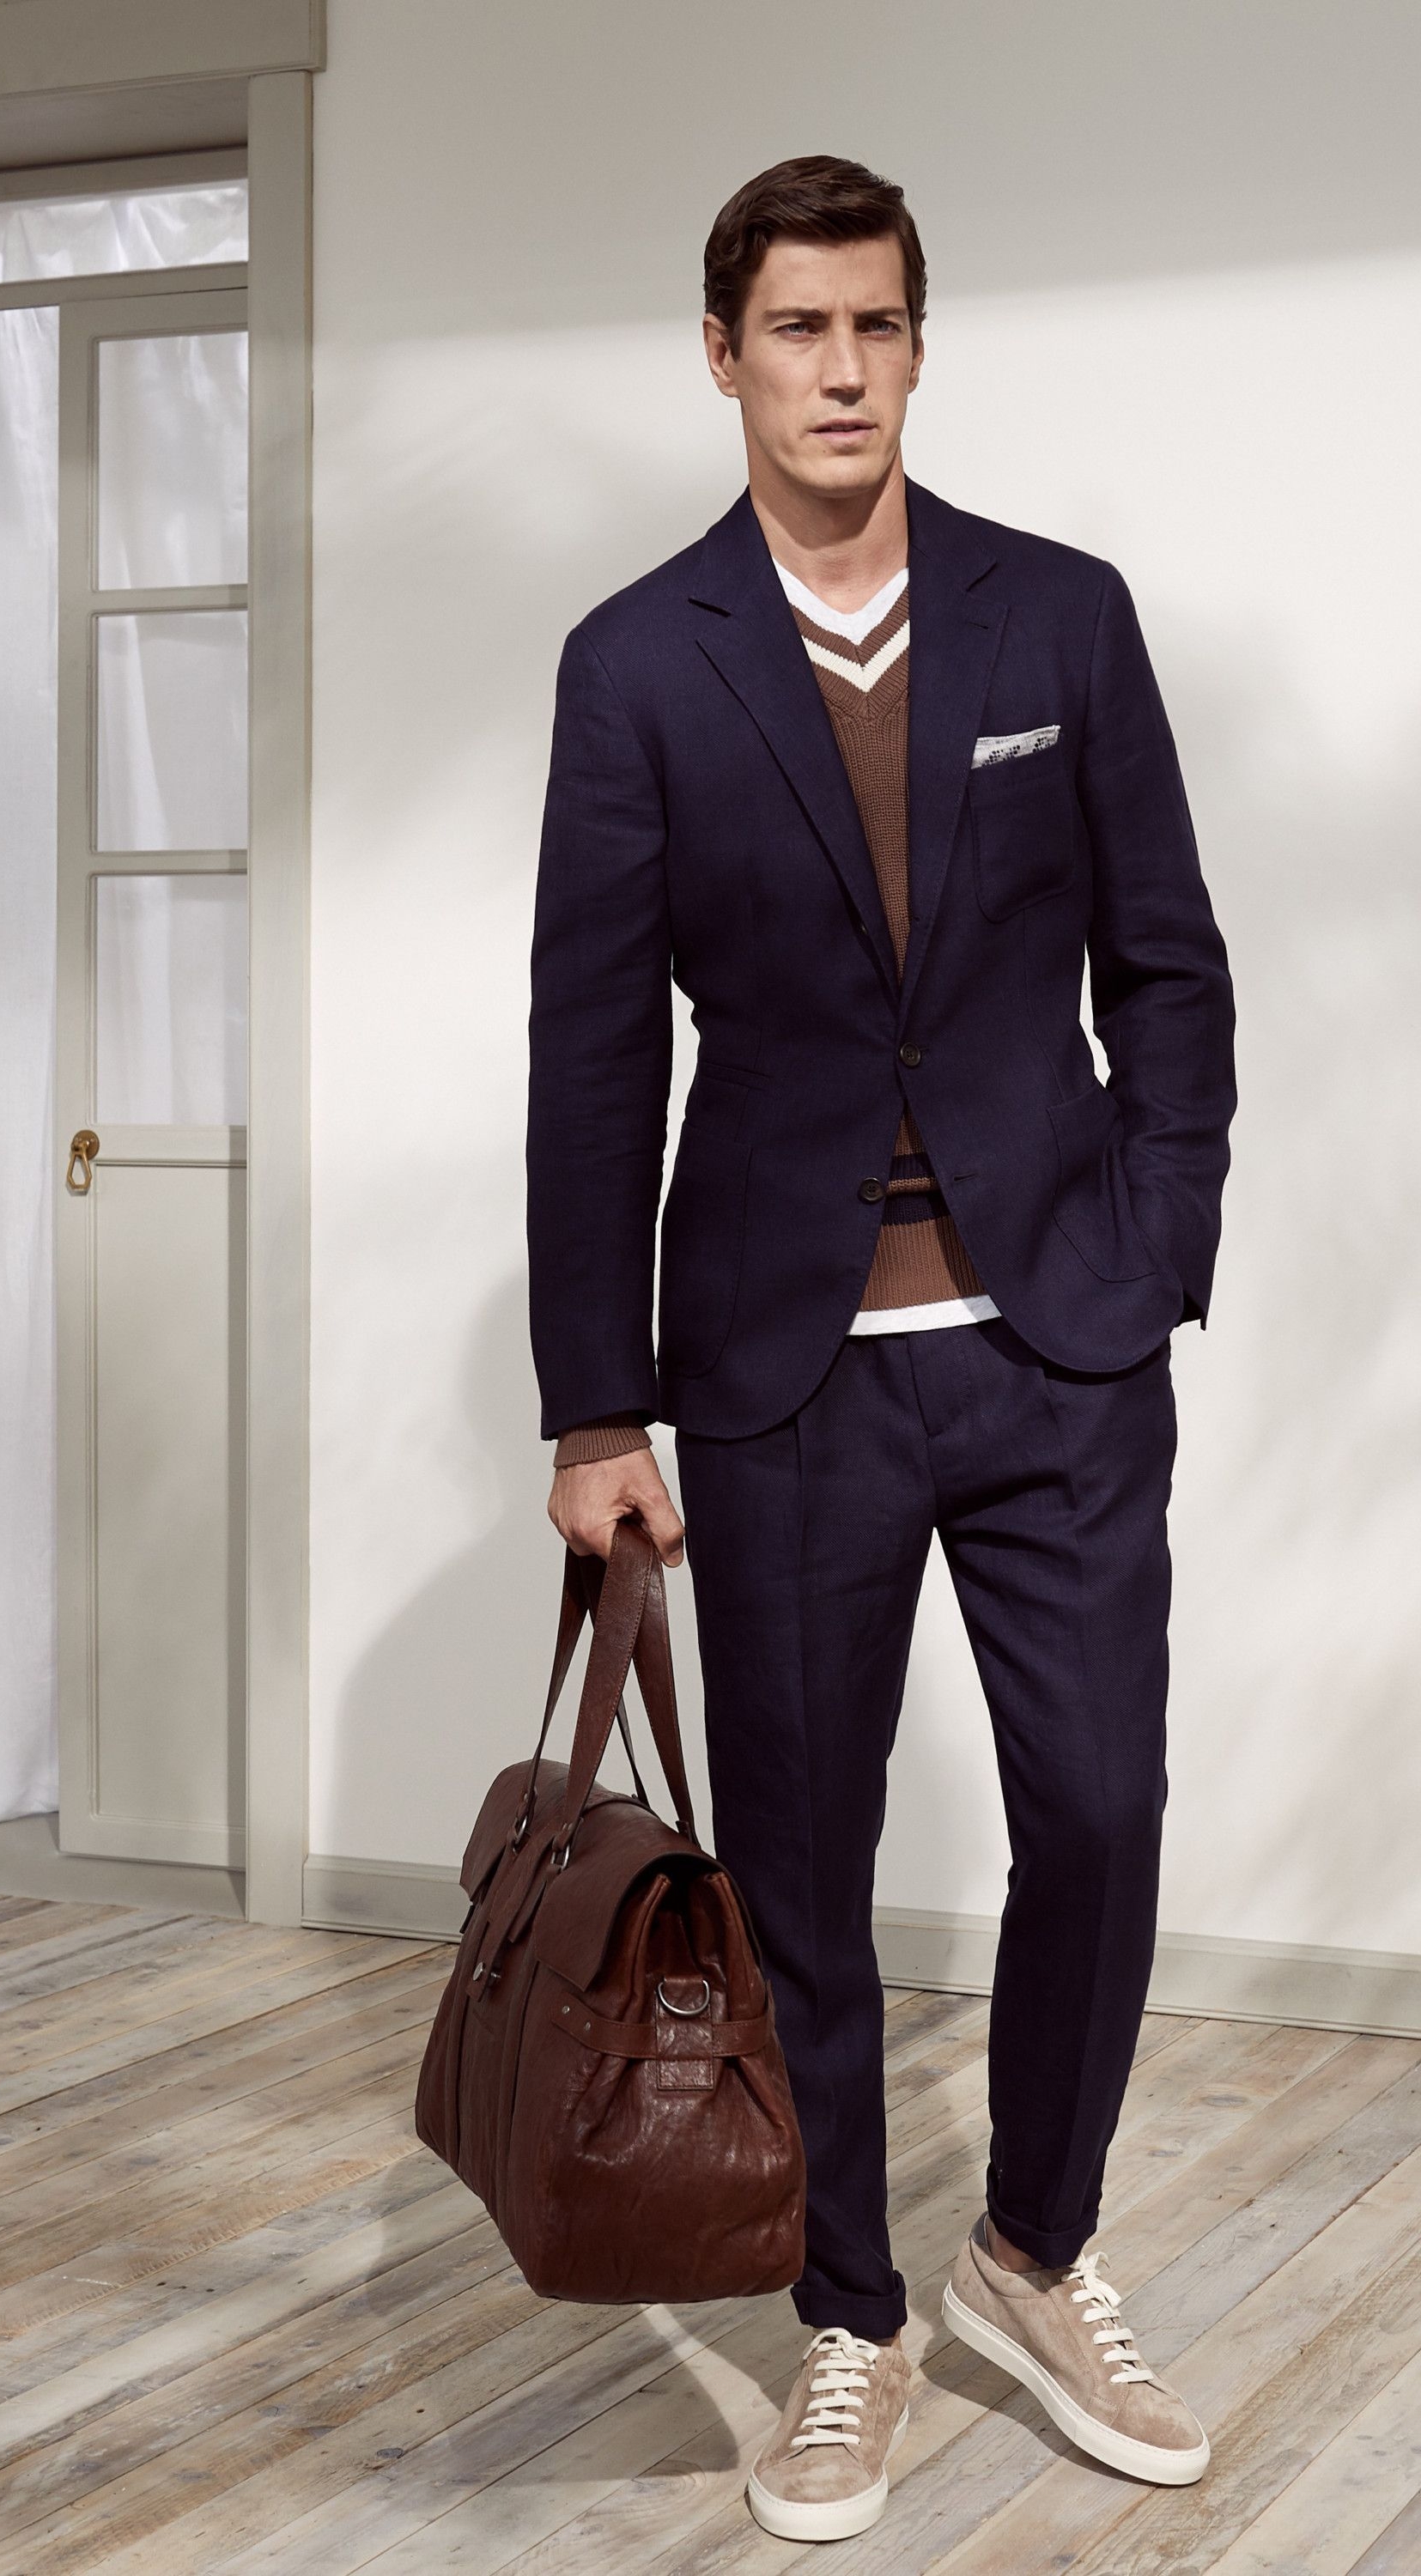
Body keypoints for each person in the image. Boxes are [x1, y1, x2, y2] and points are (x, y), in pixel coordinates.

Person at [525, 155, 1236, 2545]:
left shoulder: (1060, 617)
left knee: (1102, 1813)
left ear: (921, 348)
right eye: (797, 329)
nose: (840, 371)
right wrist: (595, 1403)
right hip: (783, 1373)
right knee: (803, 1869)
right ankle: (853, 2310)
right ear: (723, 354)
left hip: (1058, 1347)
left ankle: (1039, 2240)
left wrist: (1155, 1243)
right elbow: (596, 1057)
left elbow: (1171, 967)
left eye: (877, 327)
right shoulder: (639, 662)